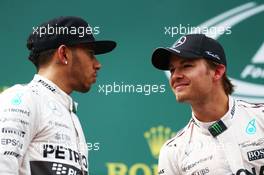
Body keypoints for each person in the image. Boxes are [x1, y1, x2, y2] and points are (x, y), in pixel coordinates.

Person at [0, 16, 116, 175]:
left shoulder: (70, 115)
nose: (98, 64)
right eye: (90, 54)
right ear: (64, 54)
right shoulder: (22, 99)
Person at [151, 34, 264, 175]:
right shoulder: (173, 151)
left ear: (217, 72)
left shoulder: (261, 118)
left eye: (186, 66)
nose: (175, 76)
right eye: (172, 69)